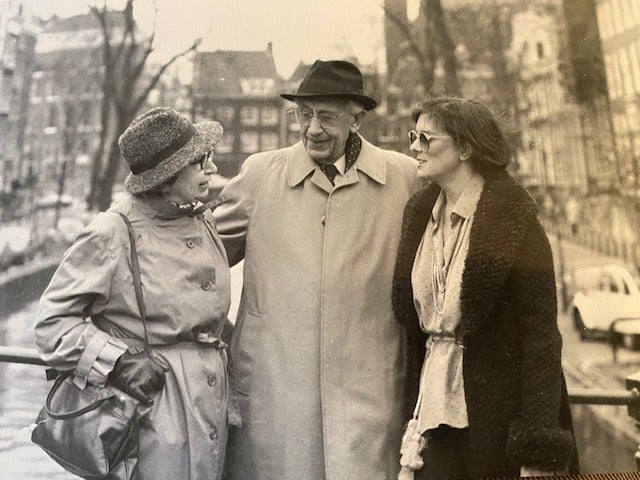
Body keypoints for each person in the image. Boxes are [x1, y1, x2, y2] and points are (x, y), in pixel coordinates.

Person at [213, 59, 420, 480]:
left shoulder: (404, 178)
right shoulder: (260, 175)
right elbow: (200, 262)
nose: (312, 129)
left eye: (326, 116)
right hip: (275, 393)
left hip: (369, 394)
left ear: (356, 117)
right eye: (303, 115)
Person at [35, 107, 237, 480]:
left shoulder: (201, 218)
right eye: (198, 161)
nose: (211, 169)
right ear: (165, 177)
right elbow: (51, 325)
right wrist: (119, 361)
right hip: (153, 409)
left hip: (212, 407)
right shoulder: (114, 231)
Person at [392, 97, 577, 479]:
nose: (414, 148)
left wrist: (537, 445)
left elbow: (542, 336)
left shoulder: (514, 219)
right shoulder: (419, 213)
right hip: (432, 412)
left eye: (426, 139)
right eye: (414, 137)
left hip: (497, 418)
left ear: (465, 147)